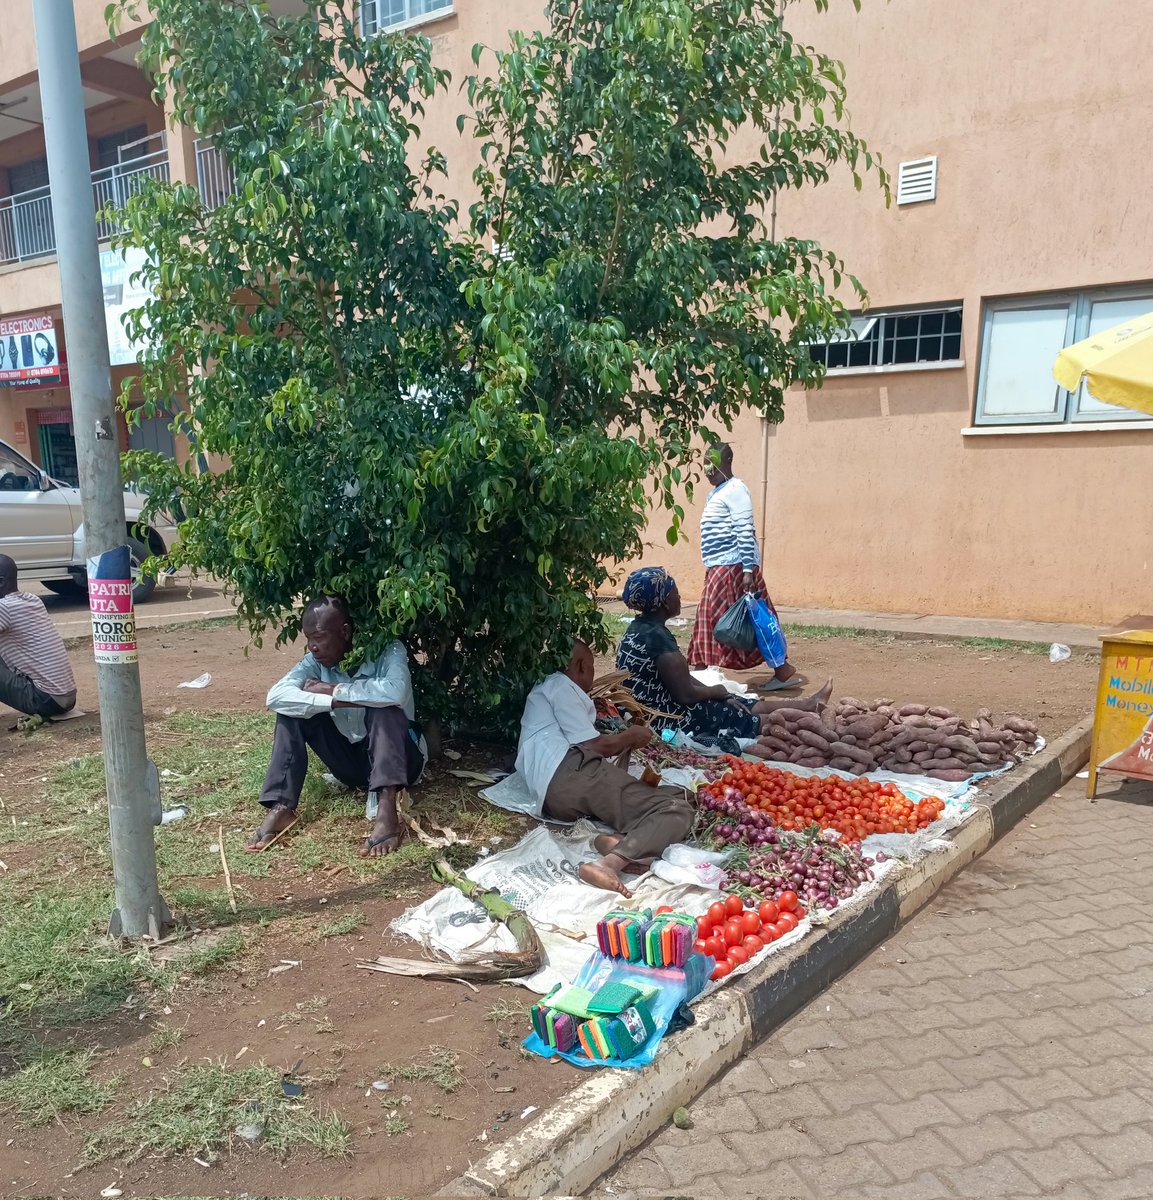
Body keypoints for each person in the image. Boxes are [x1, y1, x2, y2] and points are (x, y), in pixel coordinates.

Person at [245, 595, 426, 858]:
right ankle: (282, 806)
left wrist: (333, 689)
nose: (313, 647)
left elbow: (396, 692)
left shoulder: (388, 650)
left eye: (319, 637)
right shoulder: (313, 663)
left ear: (345, 631)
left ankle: (387, 811)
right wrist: (336, 701)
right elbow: (276, 697)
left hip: (403, 762)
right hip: (351, 764)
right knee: (291, 711)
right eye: (308, 639)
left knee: (385, 708)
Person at [516, 639, 694, 898]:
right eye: (591, 668)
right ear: (580, 666)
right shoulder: (560, 685)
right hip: (569, 773)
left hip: (556, 793)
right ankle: (609, 863)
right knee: (676, 810)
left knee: (683, 796)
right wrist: (631, 736)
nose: (592, 676)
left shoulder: (545, 690)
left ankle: (618, 840)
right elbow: (594, 746)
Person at [617, 566, 830, 743]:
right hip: (664, 719)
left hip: (658, 707)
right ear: (664, 602)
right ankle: (809, 724)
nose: (679, 597)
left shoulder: (639, 628)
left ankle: (808, 705)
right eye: (675, 593)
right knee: (738, 716)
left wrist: (719, 693)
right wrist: (714, 692)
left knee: (735, 701)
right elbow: (685, 695)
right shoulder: (657, 639)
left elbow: (681, 678)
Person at [687, 442, 804, 691]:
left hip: (734, 566)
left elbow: (744, 530)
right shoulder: (718, 492)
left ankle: (698, 673)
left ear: (728, 461)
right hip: (721, 566)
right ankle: (781, 668)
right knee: (754, 617)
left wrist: (748, 571)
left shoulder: (736, 489)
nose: (708, 471)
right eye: (705, 465)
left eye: (713, 464)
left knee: (712, 617)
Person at [0, 554, 77, 720]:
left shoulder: (4, 608)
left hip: (46, 699)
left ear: (1, 582)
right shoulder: (32, 599)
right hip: (66, 697)